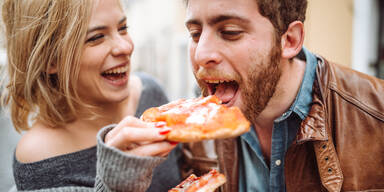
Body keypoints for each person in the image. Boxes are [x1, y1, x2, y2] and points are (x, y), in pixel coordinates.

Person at [178, 0, 384, 191]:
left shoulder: (377, 118)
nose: (201, 55)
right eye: (195, 34)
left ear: (290, 40)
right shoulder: (187, 130)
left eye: (230, 32)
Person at [1, 0, 180, 191]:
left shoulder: (150, 93)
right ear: (50, 59)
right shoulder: (39, 156)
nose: (126, 47)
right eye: (96, 37)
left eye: (123, 28)